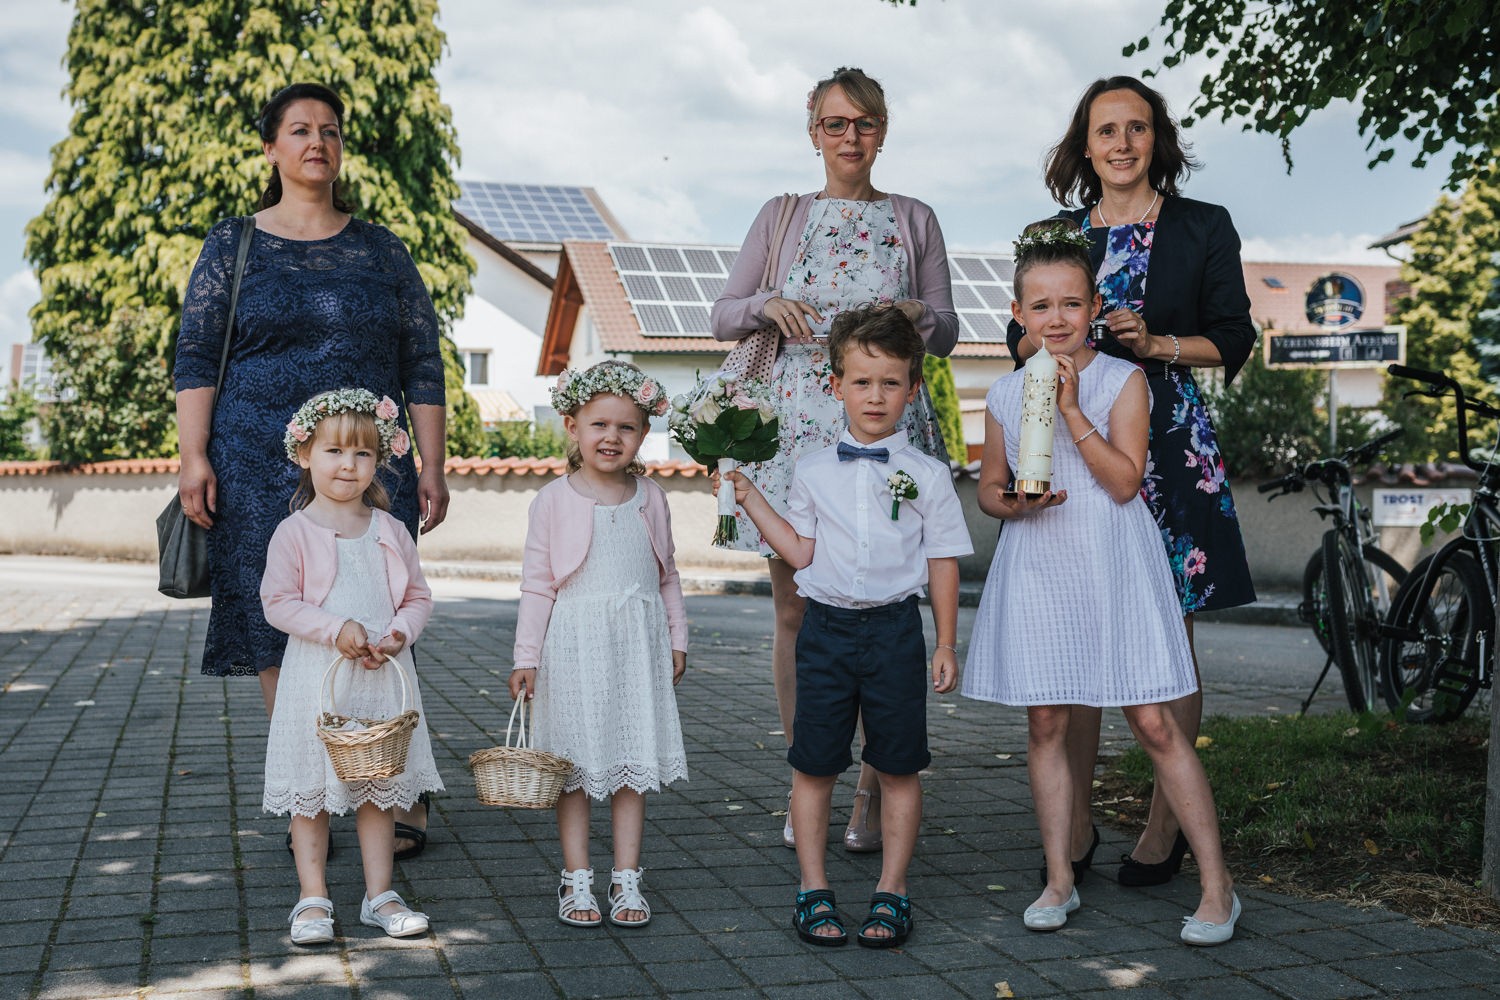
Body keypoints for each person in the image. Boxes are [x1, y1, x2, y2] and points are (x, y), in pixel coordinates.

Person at [174, 82, 447, 857]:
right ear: (272, 148)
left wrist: (432, 462)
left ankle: (396, 788)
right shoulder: (233, 244)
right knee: (280, 624)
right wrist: (194, 456)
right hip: (258, 460)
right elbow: (195, 355)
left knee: (385, 605)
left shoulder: (381, 249)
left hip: (373, 462)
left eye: (330, 130)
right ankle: (316, 789)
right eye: (299, 130)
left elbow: (422, 361)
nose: (316, 142)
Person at [1005, 75, 1257, 888]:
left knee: (1167, 635)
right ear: (1085, 143)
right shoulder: (1055, 232)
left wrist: (1154, 344)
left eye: (1137, 129)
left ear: (1158, 139)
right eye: (1106, 130)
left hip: (1170, 444)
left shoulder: (1202, 225)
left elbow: (1234, 340)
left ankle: (1165, 825)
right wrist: (1055, 352)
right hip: (1074, 440)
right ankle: (1072, 822)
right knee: (1075, 627)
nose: (1121, 144)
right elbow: (1019, 336)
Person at [967, 222, 1239, 944]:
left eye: (1071, 304)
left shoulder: (1125, 381)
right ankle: (1060, 878)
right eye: (1041, 306)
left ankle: (1218, 888)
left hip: (1112, 554)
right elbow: (991, 490)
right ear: (1019, 314)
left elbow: (1123, 484)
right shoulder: (1002, 392)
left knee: (1152, 719)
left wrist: (1070, 410)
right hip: (1040, 556)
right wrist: (1011, 503)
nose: (1056, 319)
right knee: (1046, 720)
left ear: (1093, 307)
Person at [710, 66, 959, 853]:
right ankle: (807, 781)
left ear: (883, 130)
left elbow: (949, 328)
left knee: (884, 607)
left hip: (886, 427)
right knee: (797, 609)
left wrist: (920, 314)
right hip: (796, 431)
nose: (850, 137)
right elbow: (723, 314)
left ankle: (867, 796)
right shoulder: (782, 215)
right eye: (835, 123)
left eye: (865, 123)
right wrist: (764, 306)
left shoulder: (913, 218)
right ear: (813, 131)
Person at [724, 305, 972, 949]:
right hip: (826, 634)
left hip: (894, 632)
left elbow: (943, 562)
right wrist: (751, 498)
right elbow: (800, 554)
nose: (875, 395)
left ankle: (892, 890)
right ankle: (813, 888)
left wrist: (945, 642)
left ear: (912, 389)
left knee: (899, 767)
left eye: (890, 382)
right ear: (835, 386)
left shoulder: (928, 476)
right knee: (813, 766)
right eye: (861, 382)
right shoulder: (810, 470)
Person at [259, 388, 444, 946]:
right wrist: (335, 628)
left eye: (363, 454)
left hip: (380, 679)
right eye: (334, 451)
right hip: (316, 679)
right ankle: (312, 898)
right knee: (311, 790)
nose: (348, 465)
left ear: (379, 460)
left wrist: (399, 633)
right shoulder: (294, 531)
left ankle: (379, 894)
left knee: (376, 785)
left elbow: (417, 597)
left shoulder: (389, 530)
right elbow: (278, 603)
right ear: (304, 455)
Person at [509, 361, 688, 930]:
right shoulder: (552, 500)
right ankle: (577, 874)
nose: (612, 437)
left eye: (627, 427)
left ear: (643, 433)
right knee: (575, 767)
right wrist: (526, 658)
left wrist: (676, 638)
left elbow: (668, 576)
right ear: (572, 425)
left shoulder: (651, 497)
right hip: (572, 647)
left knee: (630, 765)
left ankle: (627, 875)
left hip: (636, 645)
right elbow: (537, 585)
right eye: (599, 424)